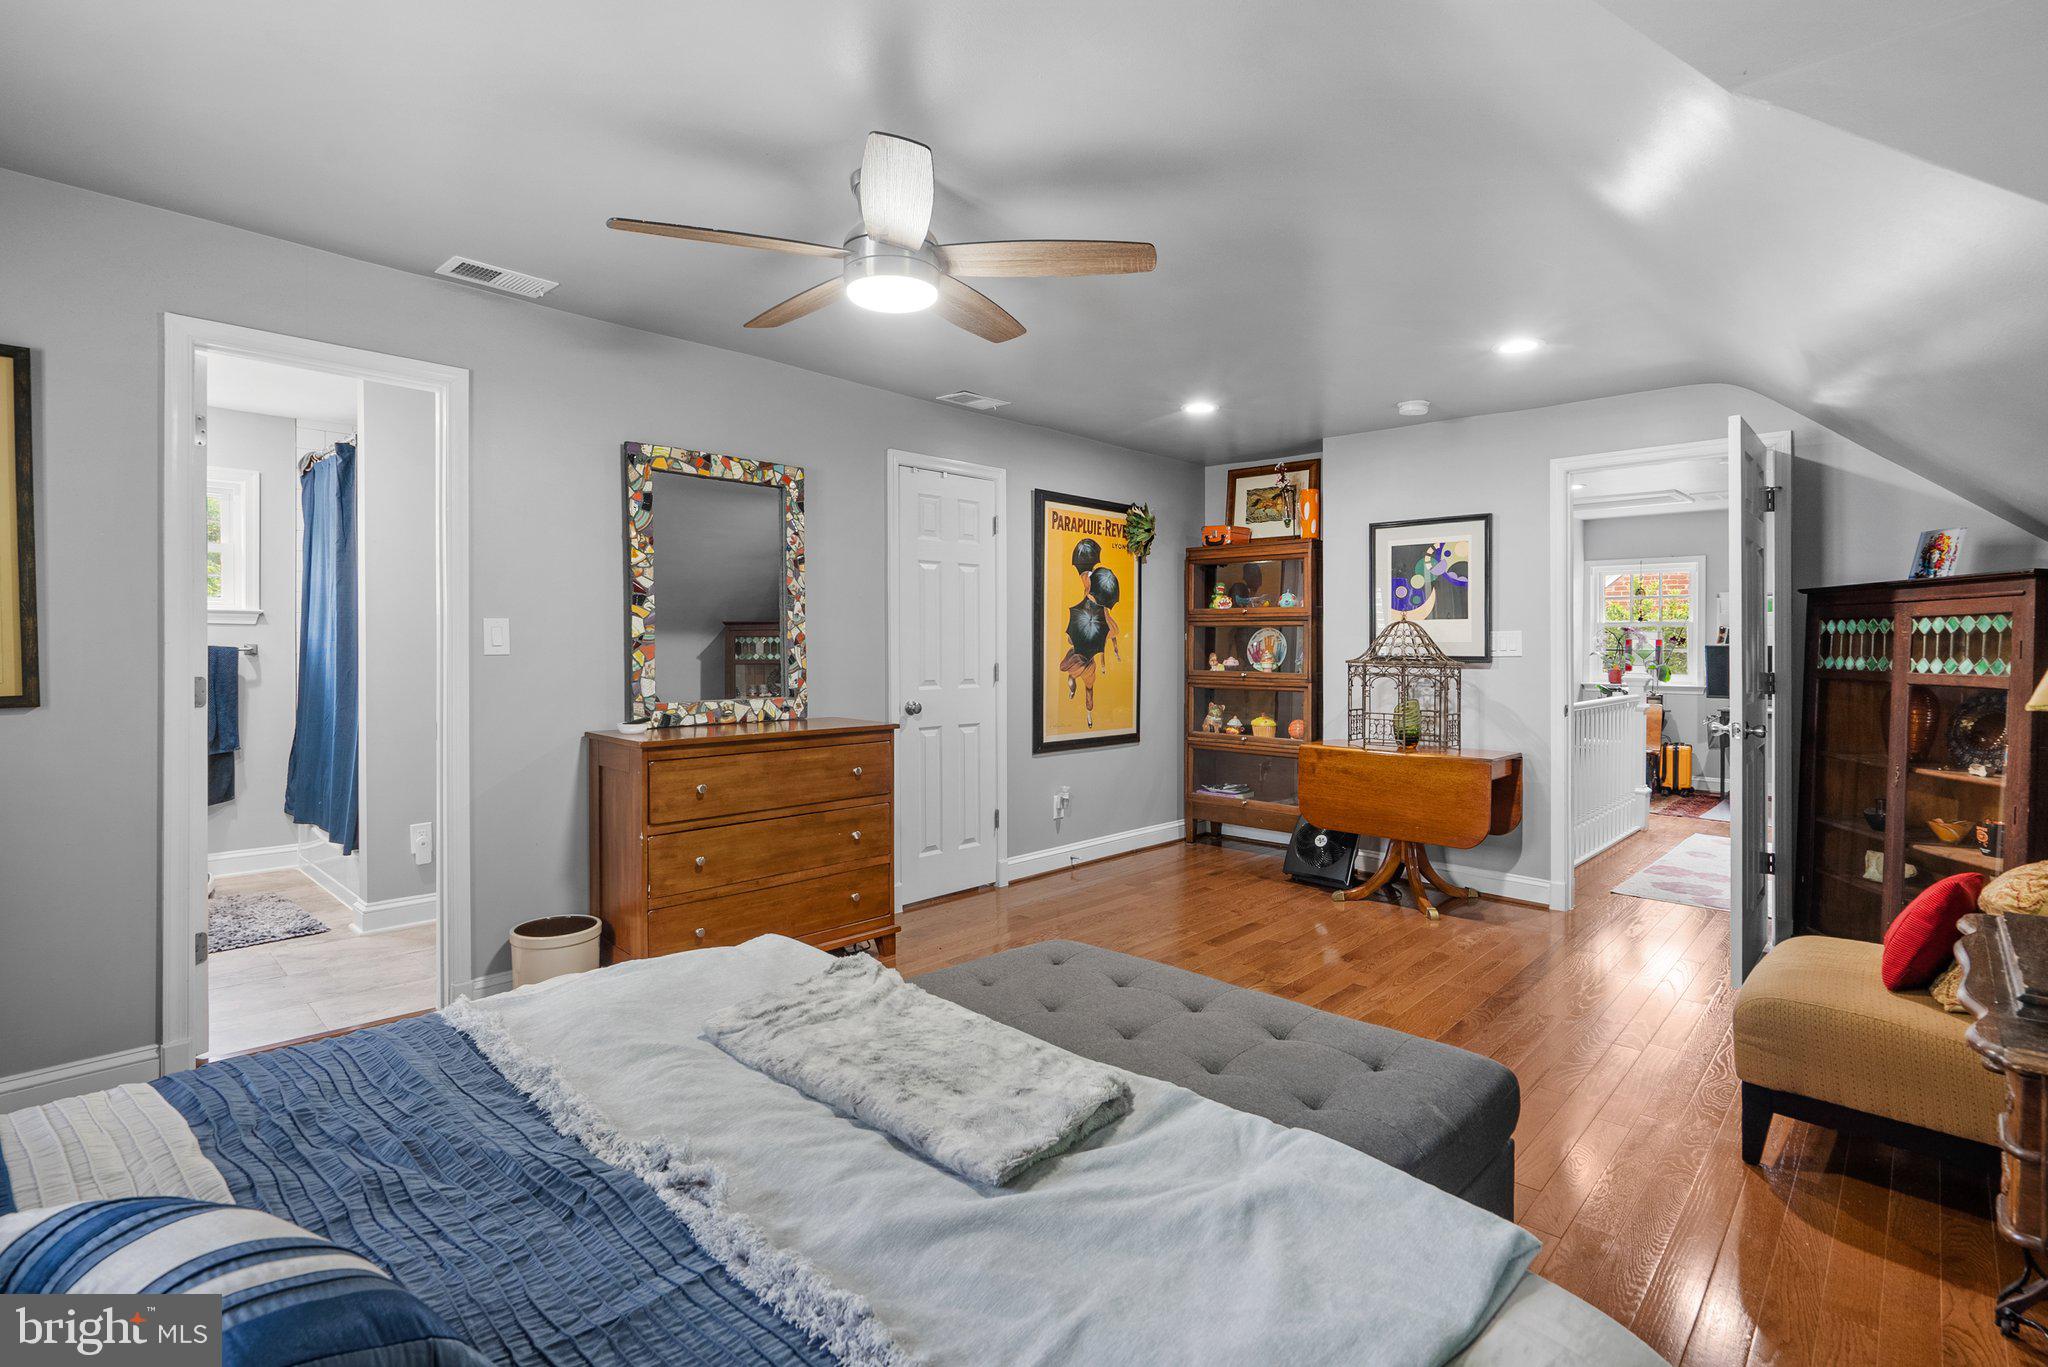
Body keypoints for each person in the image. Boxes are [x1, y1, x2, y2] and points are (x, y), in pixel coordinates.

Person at [1060, 563, 1122, 726]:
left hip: (1077, 658)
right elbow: (1108, 637)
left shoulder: (1084, 610)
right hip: (1089, 663)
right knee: (1089, 689)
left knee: (1072, 678)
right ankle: (1089, 716)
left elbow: (1070, 640)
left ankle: (1073, 692)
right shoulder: (1103, 619)